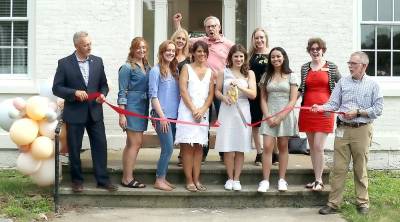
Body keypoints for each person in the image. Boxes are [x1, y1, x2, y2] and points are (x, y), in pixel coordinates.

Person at [313, 51, 383, 215]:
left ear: (364, 66)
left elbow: (378, 109)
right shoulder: (343, 82)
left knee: (360, 168)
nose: (350, 66)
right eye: (349, 63)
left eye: (354, 64)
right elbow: (333, 103)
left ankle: (362, 203)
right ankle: (333, 203)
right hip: (342, 130)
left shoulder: (373, 85)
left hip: (362, 130)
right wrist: (321, 107)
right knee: (339, 169)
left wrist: (358, 112)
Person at [52, 31, 117, 192]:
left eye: (90, 44)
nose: (89, 47)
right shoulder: (64, 63)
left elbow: (104, 85)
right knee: (74, 148)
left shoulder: (97, 61)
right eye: (85, 45)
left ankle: (102, 180)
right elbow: (57, 88)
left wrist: (103, 94)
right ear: (76, 46)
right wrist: (73, 93)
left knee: (100, 146)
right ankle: (76, 181)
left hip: (95, 112)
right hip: (74, 113)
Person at [173, 13, 234, 162]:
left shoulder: (228, 44)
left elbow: (236, 60)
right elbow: (182, 40)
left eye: (214, 26)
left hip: (220, 87)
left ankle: (223, 152)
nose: (211, 29)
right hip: (202, 87)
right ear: (205, 29)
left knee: (223, 119)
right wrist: (177, 24)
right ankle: (203, 152)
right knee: (202, 119)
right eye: (208, 27)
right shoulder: (200, 41)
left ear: (219, 27)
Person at [298, 37, 341, 191]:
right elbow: (301, 89)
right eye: (312, 49)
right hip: (307, 111)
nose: (315, 51)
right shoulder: (305, 68)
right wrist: (290, 103)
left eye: (318, 49)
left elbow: (341, 86)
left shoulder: (331, 67)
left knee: (318, 146)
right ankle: (316, 179)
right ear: (309, 51)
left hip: (325, 111)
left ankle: (319, 180)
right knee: (312, 146)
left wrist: (335, 104)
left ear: (323, 50)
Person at [215, 44, 257, 191]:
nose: (238, 59)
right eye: (235, 56)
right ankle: (230, 178)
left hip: (243, 110)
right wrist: (223, 98)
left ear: (244, 58)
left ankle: (237, 178)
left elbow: (253, 94)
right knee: (227, 146)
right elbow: (217, 92)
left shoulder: (249, 74)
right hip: (227, 110)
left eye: (241, 56)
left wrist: (239, 86)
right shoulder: (223, 72)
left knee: (240, 146)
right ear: (230, 58)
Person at [257, 47, 298, 193]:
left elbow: (293, 100)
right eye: (273, 57)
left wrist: (280, 117)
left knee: (283, 146)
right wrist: (268, 116)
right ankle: (265, 180)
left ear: (284, 57)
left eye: (278, 56)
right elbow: (262, 98)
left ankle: (282, 179)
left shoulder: (291, 76)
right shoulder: (266, 76)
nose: (275, 59)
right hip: (269, 114)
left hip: (285, 116)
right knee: (267, 146)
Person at [174, 41, 214, 192]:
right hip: (187, 112)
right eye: (198, 51)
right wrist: (193, 109)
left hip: (202, 113)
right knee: (187, 148)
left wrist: (202, 110)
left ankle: (197, 179)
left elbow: (210, 94)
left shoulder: (210, 72)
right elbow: (183, 90)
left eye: (204, 52)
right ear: (193, 53)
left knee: (198, 148)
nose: (201, 54)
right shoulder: (186, 68)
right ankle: (189, 180)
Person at [117, 37, 151, 189]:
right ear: (132, 49)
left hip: (142, 106)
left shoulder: (147, 66)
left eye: (144, 47)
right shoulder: (126, 68)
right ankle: (128, 178)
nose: (141, 50)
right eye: (138, 47)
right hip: (131, 107)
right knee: (134, 143)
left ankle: (127, 176)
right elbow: (122, 92)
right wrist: (122, 114)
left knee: (133, 144)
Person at [148, 40, 180, 191]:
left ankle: (163, 178)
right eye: (168, 50)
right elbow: (153, 96)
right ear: (161, 52)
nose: (171, 53)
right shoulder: (155, 71)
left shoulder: (175, 71)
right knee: (168, 148)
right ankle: (159, 179)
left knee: (168, 148)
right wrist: (162, 117)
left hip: (174, 116)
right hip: (162, 117)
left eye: (173, 51)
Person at [248, 28, 277, 166]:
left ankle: (274, 152)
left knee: (271, 121)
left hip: (270, 93)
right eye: (256, 38)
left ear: (266, 38)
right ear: (253, 40)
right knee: (256, 123)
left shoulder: (273, 54)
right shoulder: (249, 56)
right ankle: (259, 153)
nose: (259, 40)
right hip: (255, 93)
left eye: (261, 37)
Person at [170, 28, 191, 167]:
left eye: (183, 39)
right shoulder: (169, 54)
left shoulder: (189, 59)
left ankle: (183, 155)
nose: (180, 41)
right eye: (178, 38)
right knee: (172, 126)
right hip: (170, 95)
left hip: (183, 95)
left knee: (183, 126)